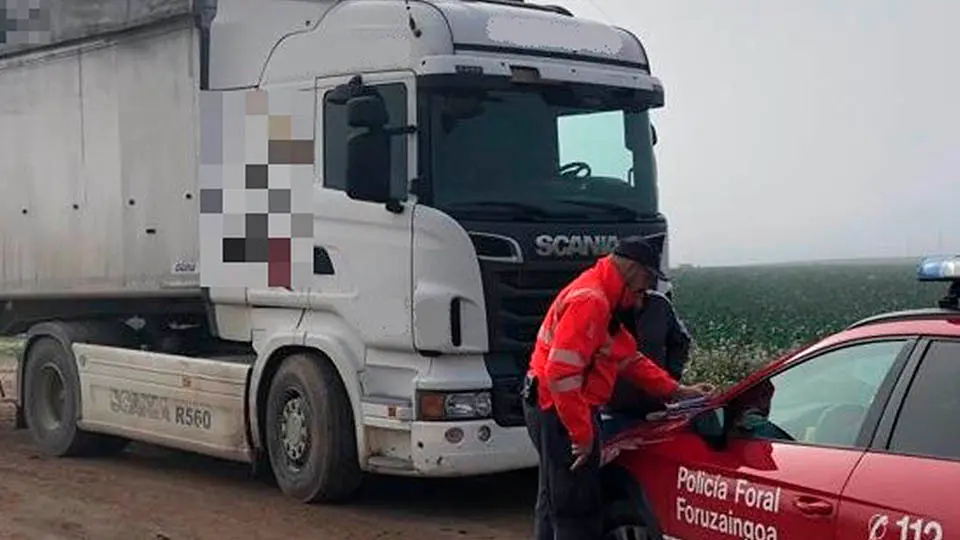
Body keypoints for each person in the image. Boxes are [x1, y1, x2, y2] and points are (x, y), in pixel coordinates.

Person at [522, 236, 714, 540]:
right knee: (577, 509)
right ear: (633, 269)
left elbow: (628, 359)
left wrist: (677, 391)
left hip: (552, 406)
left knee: (555, 501)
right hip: (560, 408)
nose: (645, 294)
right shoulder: (592, 301)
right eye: (647, 281)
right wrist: (582, 434)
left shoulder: (602, 295)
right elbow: (561, 374)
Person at [602, 288, 694, 438]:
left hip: (656, 407)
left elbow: (680, 342)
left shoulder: (660, 305)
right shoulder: (604, 307)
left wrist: (671, 377)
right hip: (615, 408)